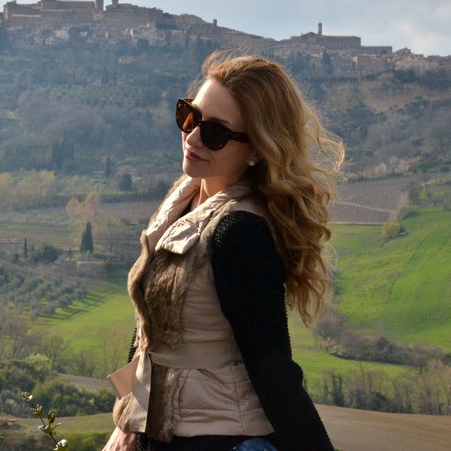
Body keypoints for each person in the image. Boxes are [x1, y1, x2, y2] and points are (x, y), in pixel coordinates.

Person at [104, 52, 343, 451]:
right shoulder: (184, 201)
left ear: (257, 149)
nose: (192, 137)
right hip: (164, 433)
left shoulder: (239, 233)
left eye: (215, 132)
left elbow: (274, 374)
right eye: (190, 116)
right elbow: (151, 330)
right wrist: (127, 419)